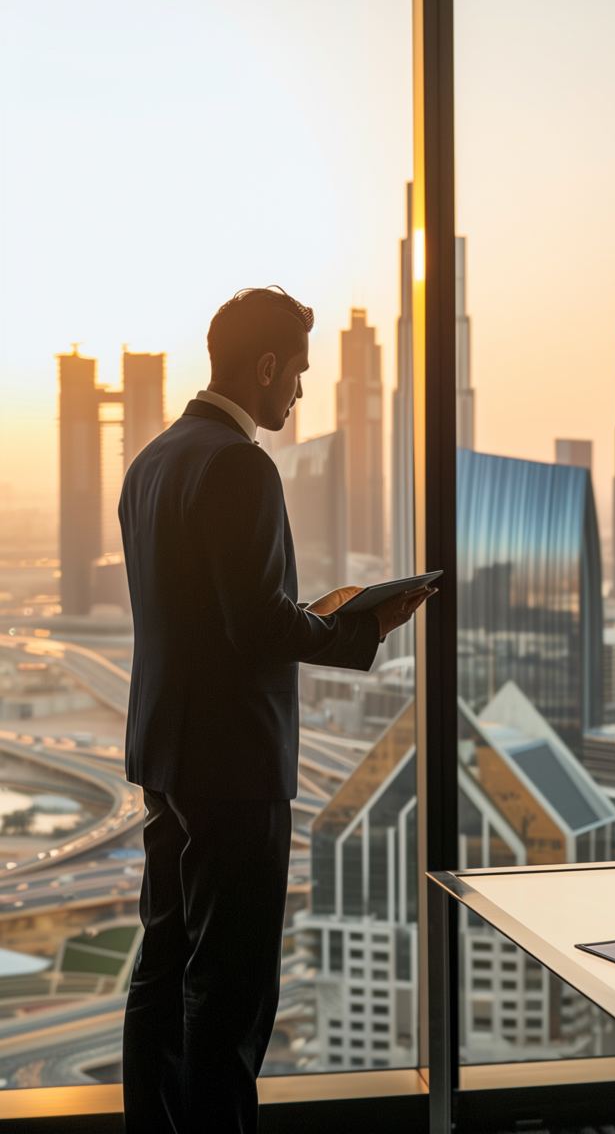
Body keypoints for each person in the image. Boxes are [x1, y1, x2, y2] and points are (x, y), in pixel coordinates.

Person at [117, 286, 428, 1134]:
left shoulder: (153, 461)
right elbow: (254, 621)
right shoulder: (239, 464)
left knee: (163, 968)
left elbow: (200, 615)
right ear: (262, 368)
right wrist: (361, 623)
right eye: (295, 373)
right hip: (234, 767)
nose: (299, 392)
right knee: (232, 992)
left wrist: (318, 615)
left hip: (167, 756)